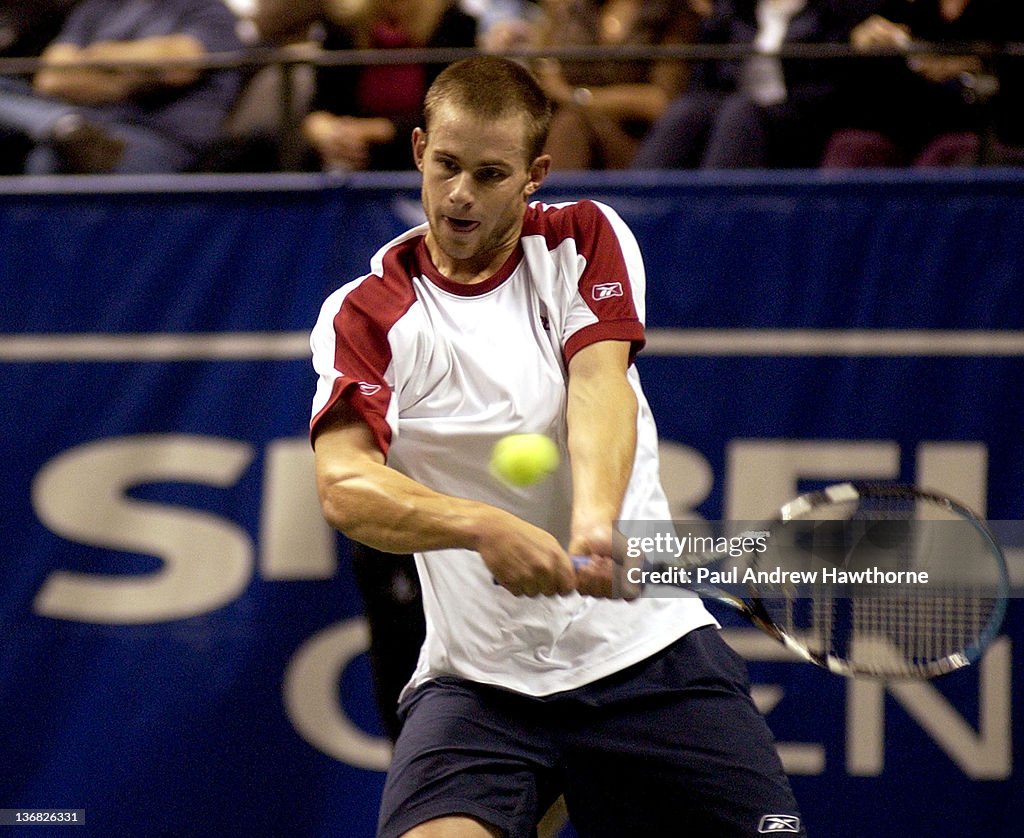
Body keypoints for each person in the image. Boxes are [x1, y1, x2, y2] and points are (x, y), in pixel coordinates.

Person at [310, 54, 804, 837]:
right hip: (480, 684)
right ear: (417, 150)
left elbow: (600, 386)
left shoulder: (583, 239)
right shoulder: (367, 315)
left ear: (535, 173)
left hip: (652, 663)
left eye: (490, 173)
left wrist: (594, 523)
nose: (462, 194)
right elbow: (343, 485)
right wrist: (480, 526)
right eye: (446, 166)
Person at [0, 0, 245, 174]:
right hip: (88, 127)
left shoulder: (207, 10)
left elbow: (176, 66)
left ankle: (58, 124)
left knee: (50, 157)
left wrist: (92, 60)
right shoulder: (100, 7)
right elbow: (51, 79)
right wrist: (134, 74)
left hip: (157, 139)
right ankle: (61, 123)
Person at [631, 0, 863, 169]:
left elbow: (833, 85)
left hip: (798, 114)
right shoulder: (734, 11)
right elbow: (706, 76)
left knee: (740, 112)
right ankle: (633, 214)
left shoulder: (832, 12)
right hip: (732, 108)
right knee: (687, 110)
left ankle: (715, 218)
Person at [820, 0, 1024, 167]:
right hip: (910, 123)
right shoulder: (907, 9)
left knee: (949, 154)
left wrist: (969, 64)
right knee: (852, 147)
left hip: (984, 129)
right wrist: (859, 43)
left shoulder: (1004, 11)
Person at [301, 0, 478, 172]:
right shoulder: (343, 24)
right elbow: (318, 109)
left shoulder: (455, 24)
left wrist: (372, 131)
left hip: (419, 155)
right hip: (350, 156)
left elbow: (454, 114)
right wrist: (330, 135)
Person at [526, 0, 703, 170]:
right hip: (572, 130)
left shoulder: (674, 14)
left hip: (640, 141)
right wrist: (550, 17)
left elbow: (660, 101)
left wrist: (576, 97)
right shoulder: (578, 9)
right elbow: (544, 68)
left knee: (572, 123)